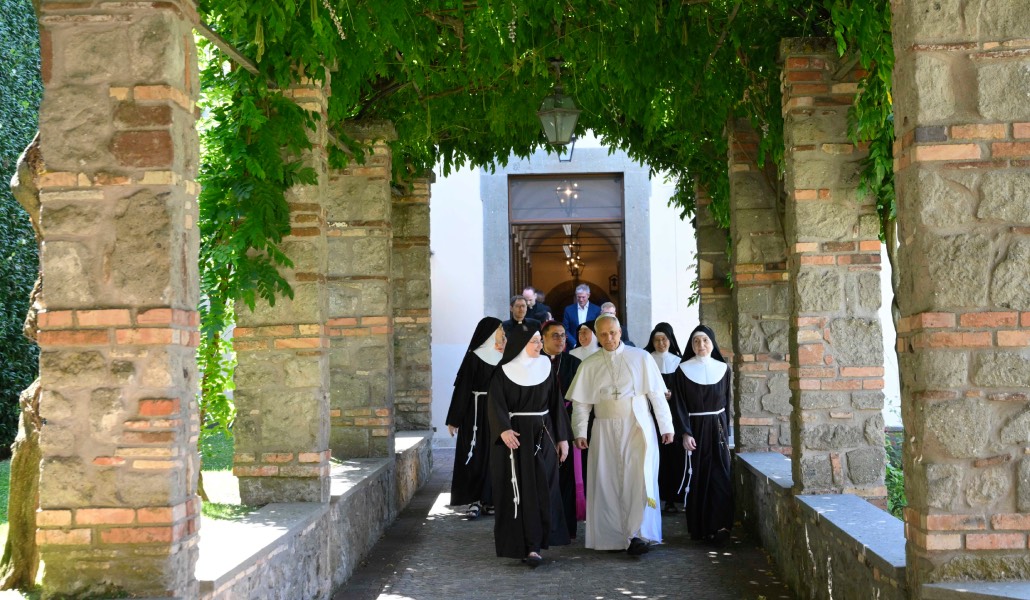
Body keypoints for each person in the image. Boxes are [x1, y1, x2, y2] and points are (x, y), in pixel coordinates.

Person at [566, 314, 675, 556]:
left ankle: (639, 534)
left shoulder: (641, 357)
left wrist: (666, 427)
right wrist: (580, 431)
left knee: (638, 479)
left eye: (613, 333)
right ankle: (613, 537)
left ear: (620, 332)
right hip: (604, 430)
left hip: (637, 427)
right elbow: (582, 404)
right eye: (603, 334)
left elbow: (656, 395)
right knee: (607, 481)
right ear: (597, 335)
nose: (609, 338)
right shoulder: (589, 364)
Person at [489, 327, 572, 567]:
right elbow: (495, 404)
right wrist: (503, 429)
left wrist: (562, 438)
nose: (539, 345)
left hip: (544, 435)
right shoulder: (503, 372)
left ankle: (538, 543)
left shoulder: (546, 367)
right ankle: (524, 545)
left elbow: (556, 404)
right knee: (519, 491)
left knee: (544, 487)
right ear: (521, 343)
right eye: (534, 341)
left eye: (539, 341)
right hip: (515, 439)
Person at [671, 324, 734, 544]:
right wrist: (685, 433)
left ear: (712, 343)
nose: (701, 345)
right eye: (696, 341)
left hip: (718, 429)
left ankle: (721, 526)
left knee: (721, 475)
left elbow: (727, 402)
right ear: (691, 345)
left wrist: (727, 431)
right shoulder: (682, 370)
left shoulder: (723, 369)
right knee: (698, 477)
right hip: (695, 429)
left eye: (705, 340)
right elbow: (678, 405)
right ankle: (701, 527)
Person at [445, 317, 505, 519]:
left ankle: (489, 499)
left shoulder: (503, 358)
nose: (502, 332)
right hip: (475, 414)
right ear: (490, 332)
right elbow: (462, 389)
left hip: (496, 413)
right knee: (475, 454)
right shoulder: (474, 358)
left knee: (493, 456)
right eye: (500, 329)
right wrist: (454, 419)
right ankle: (475, 500)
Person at [541, 320, 583, 539]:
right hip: (541, 423)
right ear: (543, 338)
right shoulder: (535, 361)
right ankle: (544, 525)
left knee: (566, 476)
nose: (560, 340)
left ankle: (565, 526)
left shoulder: (574, 363)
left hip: (567, 421)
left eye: (563, 336)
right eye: (555, 336)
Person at [643, 323, 687, 513]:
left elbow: (685, 390)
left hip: (674, 415)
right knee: (655, 454)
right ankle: (655, 497)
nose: (661, 343)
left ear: (670, 341)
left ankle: (672, 498)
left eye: (664, 339)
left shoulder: (679, 362)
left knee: (674, 455)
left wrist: (673, 395)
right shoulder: (647, 360)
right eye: (657, 340)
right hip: (651, 414)